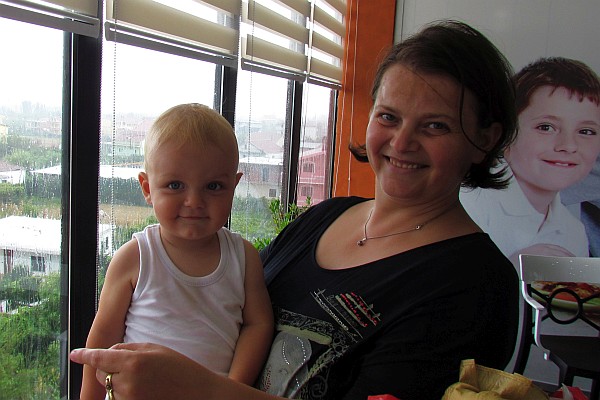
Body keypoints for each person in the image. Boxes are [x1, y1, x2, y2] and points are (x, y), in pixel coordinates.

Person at [71, 20, 519, 400]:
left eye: (435, 125)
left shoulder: (474, 283)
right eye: (388, 116)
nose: (401, 142)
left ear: (484, 138)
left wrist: (201, 389)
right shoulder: (323, 218)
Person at [79, 103, 274, 399]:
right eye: (175, 185)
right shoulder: (135, 258)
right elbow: (101, 346)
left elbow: (258, 324)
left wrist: (231, 389)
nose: (194, 200)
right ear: (147, 188)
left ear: (234, 187)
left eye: (213, 186)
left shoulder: (243, 258)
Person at [461, 57, 600, 267]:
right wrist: (510, 272)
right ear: (506, 132)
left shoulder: (574, 232)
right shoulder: (469, 201)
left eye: (586, 131)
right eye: (546, 127)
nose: (568, 145)